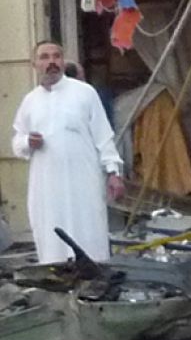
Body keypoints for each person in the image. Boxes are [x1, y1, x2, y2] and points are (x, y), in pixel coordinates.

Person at [10, 41, 124, 263]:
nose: (51, 62)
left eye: (56, 56)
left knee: (88, 231)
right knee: (52, 235)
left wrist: (113, 172)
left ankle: (94, 285)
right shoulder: (30, 101)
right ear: (35, 64)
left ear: (62, 61)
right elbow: (17, 141)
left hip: (83, 184)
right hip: (47, 187)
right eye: (44, 57)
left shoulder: (84, 93)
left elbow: (104, 136)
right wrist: (27, 142)